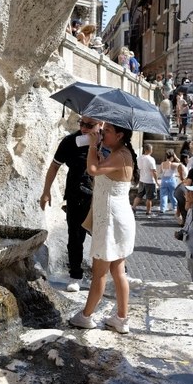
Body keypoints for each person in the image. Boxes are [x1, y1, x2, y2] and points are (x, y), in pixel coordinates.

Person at [69, 123, 136, 334]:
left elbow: (93, 170)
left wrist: (91, 147)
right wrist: (97, 149)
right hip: (117, 218)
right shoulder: (119, 153)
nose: (102, 133)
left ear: (119, 135)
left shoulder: (120, 155)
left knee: (100, 272)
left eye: (107, 131)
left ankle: (86, 316)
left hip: (110, 220)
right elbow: (101, 171)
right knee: (117, 270)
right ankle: (121, 319)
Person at [40, 116, 103, 292]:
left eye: (89, 125)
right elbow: (54, 166)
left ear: (100, 125)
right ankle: (75, 275)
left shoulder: (106, 142)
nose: (84, 128)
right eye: (81, 123)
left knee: (104, 237)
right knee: (75, 237)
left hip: (100, 196)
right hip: (76, 195)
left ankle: (109, 275)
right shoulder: (70, 142)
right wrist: (46, 192)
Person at [132, 143, 159, 217]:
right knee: (149, 198)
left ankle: (133, 208)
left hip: (142, 179)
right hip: (150, 181)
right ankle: (148, 212)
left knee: (139, 195)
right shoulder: (151, 159)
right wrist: (156, 181)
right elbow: (154, 171)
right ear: (150, 150)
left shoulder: (139, 158)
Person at [159, 149, 183, 214]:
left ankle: (163, 208)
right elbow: (181, 164)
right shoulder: (173, 164)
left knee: (163, 195)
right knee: (173, 194)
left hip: (164, 180)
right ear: (172, 156)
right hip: (171, 180)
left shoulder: (162, 164)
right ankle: (174, 206)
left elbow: (160, 172)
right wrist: (176, 157)